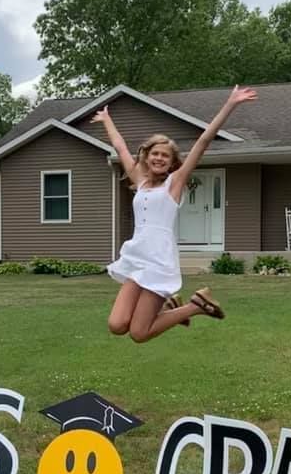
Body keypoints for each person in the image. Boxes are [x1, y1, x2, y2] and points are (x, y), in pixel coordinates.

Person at [93, 85, 258, 343]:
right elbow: (121, 148)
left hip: (158, 260)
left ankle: (195, 306)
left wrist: (231, 104)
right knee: (116, 325)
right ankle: (172, 307)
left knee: (139, 333)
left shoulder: (175, 183)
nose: (159, 158)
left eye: (165, 156)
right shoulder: (140, 181)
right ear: (147, 158)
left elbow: (202, 142)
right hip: (137, 257)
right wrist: (107, 119)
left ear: (172, 163)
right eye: (155, 154)